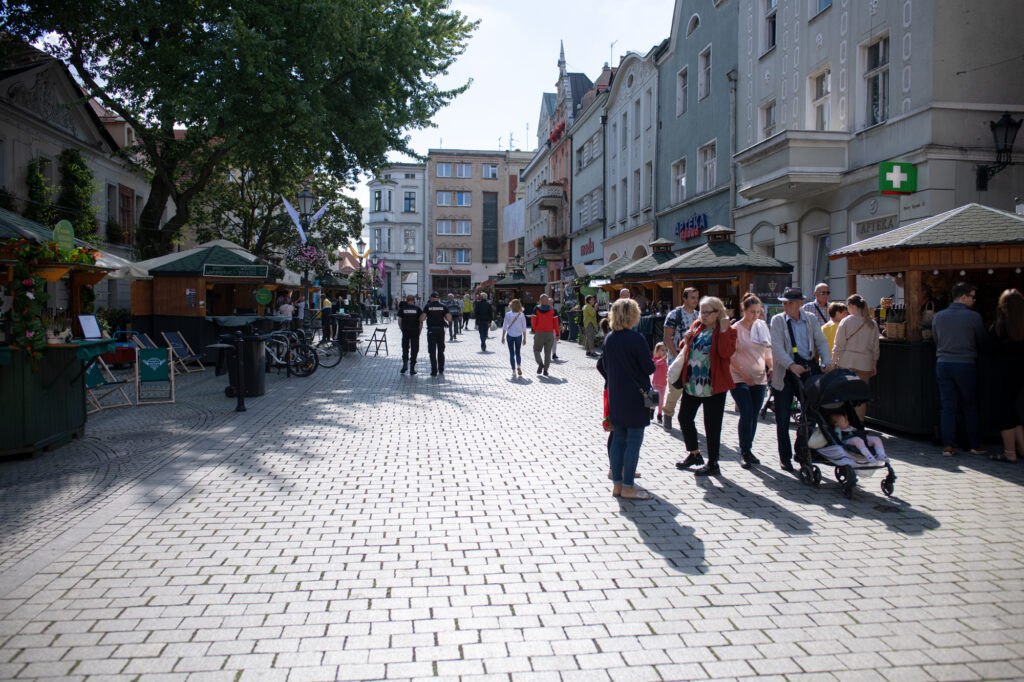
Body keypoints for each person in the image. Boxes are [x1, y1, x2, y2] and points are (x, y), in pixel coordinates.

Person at [671, 296, 738, 476]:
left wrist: (724, 330)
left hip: (713, 386)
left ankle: (713, 463)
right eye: (702, 312)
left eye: (708, 312)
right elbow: (685, 349)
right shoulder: (697, 327)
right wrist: (684, 339)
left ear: (718, 313)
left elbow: (725, 353)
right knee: (684, 418)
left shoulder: (728, 330)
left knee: (712, 426)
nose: (704, 315)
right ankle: (694, 454)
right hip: (693, 384)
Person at [770, 287, 834, 472]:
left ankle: (802, 449)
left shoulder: (810, 319)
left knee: (812, 413)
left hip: (807, 369)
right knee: (782, 417)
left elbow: (821, 341)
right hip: (786, 373)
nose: (785, 305)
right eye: (784, 302)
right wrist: (791, 365)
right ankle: (785, 457)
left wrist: (827, 361)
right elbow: (777, 349)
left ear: (800, 304)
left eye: (789, 302)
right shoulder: (778, 320)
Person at [597, 299, 655, 499]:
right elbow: (649, 368)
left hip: (616, 394)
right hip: (635, 396)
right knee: (634, 441)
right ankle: (629, 486)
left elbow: (603, 365)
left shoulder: (609, 338)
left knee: (619, 438)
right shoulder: (636, 338)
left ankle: (617, 485)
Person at [932, 282, 987, 457]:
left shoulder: (938, 317)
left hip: (943, 363)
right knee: (969, 405)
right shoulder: (974, 317)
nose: (974, 300)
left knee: (948, 406)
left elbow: (935, 339)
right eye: (972, 296)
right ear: (963, 297)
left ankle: (948, 445)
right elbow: (981, 340)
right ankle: (974, 444)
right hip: (965, 364)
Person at [729, 294, 773, 469]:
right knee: (746, 412)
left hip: (759, 376)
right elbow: (729, 355)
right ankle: (744, 450)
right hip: (739, 376)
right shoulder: (735, 329)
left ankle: (749, 448)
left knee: (754, 415)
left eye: (758, 312)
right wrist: (743, 373)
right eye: (752, 312)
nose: (755, 315)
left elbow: (767, 350)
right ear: (744, 310)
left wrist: (771, 367)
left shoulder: (761, 326)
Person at [831, 294, 880, 422]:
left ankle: (846, 423)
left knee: (846, 395)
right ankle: (859, 424)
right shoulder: (872, 323)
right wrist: (874, 364)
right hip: (865, 364)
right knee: (860, 397)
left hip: (847, 362)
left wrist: (833, 361)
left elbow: (839, 344)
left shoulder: (846, 321)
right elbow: (875, 347)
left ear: (852, 305)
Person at [660, 287, 701, 430]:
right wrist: (677, 356)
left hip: (694, 359)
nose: (695, 301)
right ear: (684, 298)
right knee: (675, 389)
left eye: (696, 297)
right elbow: (667, 337)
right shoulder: (674, 315)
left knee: (690, 391)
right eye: (692, 297)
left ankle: (685, 419)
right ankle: (668, 414)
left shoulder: (699, 315)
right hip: (677, 359)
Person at [990, 289, 1024, 462]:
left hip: (1001, 373)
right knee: (1011, 409)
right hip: (1019, 372)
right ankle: (1022, 448)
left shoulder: (999, 326)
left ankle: (1010, 451)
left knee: (1004, 411)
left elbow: (988, 348)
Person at [420, 292, 451, 376]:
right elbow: (449, 318)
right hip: (441, 330)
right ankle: (441, 369)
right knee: (441, 350)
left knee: (432, 351)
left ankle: (434, 370)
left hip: (431, 330)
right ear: (438, 298)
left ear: (432, 298)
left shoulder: (428, 306)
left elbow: (422, 318)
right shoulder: (443, 306)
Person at [531, 294, 559, 376]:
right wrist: (557, 334)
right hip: (550, 333)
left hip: (539, 332)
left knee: (536, 350)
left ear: (540, 301)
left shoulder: (536, 309)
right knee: (548, 352)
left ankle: (540, 363)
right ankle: (546, 370)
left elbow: (533, 321)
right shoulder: (553, 310)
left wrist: (536, 330)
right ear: (547, 301)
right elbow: (556, 323)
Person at [501, 298, 529, 378]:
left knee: (511, 354)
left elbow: (504, 326)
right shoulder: (521, 315)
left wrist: (503, 337)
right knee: (518, 352)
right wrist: (524, 338)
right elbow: (524, 327)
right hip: (518, 335)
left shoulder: (508, 314)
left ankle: (513, 371)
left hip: (510, 335)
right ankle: (519, 366)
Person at [397, 293, 423, 375]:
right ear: (413, 301)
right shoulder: (417, 309)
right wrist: (420, 331)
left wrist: (401, 329)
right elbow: (421, 321)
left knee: (405, 347)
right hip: (415, 331)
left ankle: (405, 364)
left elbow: (399, 321)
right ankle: (412, 368)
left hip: (405, 331)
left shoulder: (402, 309)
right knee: (414, 349)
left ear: (407, 301)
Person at [652, 342, 669, 423]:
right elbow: (656, 364)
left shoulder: (665, 361)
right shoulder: (656, 360)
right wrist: (664, 358)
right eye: (662, 350)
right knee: (654, 400)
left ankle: (659, 415)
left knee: (661, 401)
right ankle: (651, 411)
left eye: (666, 350)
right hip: (656, 383)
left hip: (663, 384)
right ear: (657, 351)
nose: (664, 352)